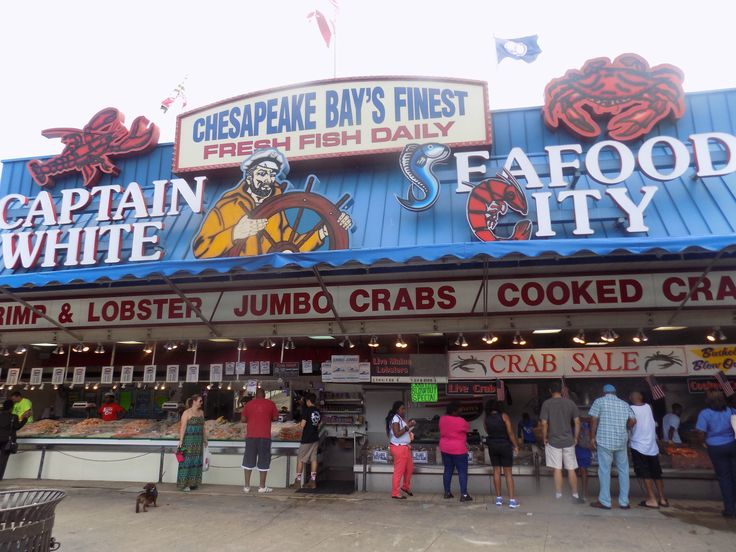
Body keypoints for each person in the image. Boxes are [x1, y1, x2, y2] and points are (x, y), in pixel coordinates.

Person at [193, 149, 352, 258]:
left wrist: (323, 230)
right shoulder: (228, 206)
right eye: (261, 173)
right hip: (237, 281)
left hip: (270, 281)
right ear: (249, 177)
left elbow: (291, 247)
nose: (267, 180)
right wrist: (235, 233)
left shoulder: (276, 205)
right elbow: (200, 249)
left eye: (271, 174)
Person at [589, 383, 636, 510]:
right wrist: (625, 428)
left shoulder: (599, 401)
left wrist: (592, 437)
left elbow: (593, 420)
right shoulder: (624, 404)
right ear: (615, 393)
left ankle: (605, 501)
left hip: (604, 440)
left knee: (604, 471)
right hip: (621, 441)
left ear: (604, 393)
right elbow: (633, 420)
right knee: (623, 470)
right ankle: (624, 502)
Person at [540, 382, 583, 503]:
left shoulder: (546, 404)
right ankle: (575, 495)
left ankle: (559, 495)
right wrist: (575, 437)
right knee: (571, 468)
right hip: (569, 441)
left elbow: (544, 423)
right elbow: (577, 422)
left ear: (550, 391)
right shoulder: (570, 403)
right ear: (562, 391)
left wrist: (544, 437)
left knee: (557, 469)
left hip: (553, 442)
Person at [695, 391, 736, 518]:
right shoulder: (731, 411)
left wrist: (703, 443)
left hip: (715, 448)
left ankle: (730, 510)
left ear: (708, 401)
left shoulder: (705, 413)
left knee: (724, 478)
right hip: (732, 445)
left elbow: (700, 433)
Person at [629, 391, 669, 508]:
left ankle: (652, 499)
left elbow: (631, 423)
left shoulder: (630, 409)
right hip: (652, 447)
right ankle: (662, 499)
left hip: (638, 446)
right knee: (657, 473)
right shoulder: (648, 407)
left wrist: (626, 427)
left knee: (646, 474)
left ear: (631, 398)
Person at [241, 388, 279, 493]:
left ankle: (247, 487)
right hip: (265, 436)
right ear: (264, 395)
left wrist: (252, 418)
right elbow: (276, 418)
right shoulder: (271, 404)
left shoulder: (248, 404)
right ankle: (262, 487)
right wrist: (267, 417)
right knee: (264, 461)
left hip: (251, 436)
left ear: (255, 395)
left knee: (248, 460)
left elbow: (243, 419)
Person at [484, 399, 520, 508]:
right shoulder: (504, 416)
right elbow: (510, 432)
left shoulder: (486, 419)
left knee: (496, 471)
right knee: (508, 473)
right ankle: (512, 500)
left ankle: (498, 499)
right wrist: (516, 445)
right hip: (505, 445)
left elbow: (487, 431)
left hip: (492, 446)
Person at [439, 401, 472, 502]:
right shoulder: (461, 421)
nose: (461, 410)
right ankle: (464, 495)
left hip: (445, 448)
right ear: (454, 411)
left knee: (448, 470)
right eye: (459, 409)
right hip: (459, 450)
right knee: (462, 472)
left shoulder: (442, 419)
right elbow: (467, 429)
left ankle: (447, 493)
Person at [386, 401, 416, 499]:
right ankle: (395, 492)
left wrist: (409, 428)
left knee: (409, 468)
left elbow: (403, 431)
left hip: (405, 447)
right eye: (402, 408)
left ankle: (405, 487)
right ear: (397, 410)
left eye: (404, 408)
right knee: (399, 471)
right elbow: (397, 434)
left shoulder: (400, 419)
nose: (404, 410)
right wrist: (408, 427)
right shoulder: (395, 419)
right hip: (399, 448)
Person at [177, 394, 207, 492]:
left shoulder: (201, 412)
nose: (201, 403)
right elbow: (183, 427)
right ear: (194, 401)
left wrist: (205, 439)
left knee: (197, 461)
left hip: (198, 441)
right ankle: (183, 484)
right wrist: (181, 441)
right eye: (200, 401)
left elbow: (203, 427)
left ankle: (193, 483)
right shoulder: (187, 413)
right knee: (187, 461)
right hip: (188, 441)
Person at [291, 393, 321, 490]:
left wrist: (298, 425)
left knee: (300, 459)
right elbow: (318, 424)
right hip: (315, 438)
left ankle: (298, 481)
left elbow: (303, 425)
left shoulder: (307, 410)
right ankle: (312, 481)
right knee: (313, 459)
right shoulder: (318, 411)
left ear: (308, 401)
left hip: (306, 438)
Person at [0, 399, 23, 480]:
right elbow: (17, 427)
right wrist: (25, 418)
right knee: (3, 459)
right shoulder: (13, 417)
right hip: (7, 441)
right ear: (11, 408)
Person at [576, 415, 593, 501]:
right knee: (583, 471)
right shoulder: (589, 425)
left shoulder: (575, 424)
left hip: (577, 450)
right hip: (585, 451)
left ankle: (575, 493)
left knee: (575, 472)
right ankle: (583, 494)